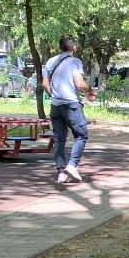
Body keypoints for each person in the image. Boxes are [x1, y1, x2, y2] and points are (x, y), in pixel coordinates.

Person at [41, 35, 94, 183]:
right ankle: (72, 166)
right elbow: (79, 84)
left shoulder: (50, 62)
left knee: (59, 138)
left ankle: (61, 172)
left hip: (55, 106)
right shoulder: (75, 62)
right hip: (71, 105)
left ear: (60, 47)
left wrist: (55, 95)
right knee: (81, 135)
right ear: (73, 48)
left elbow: (45, 84)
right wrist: (91, 90)